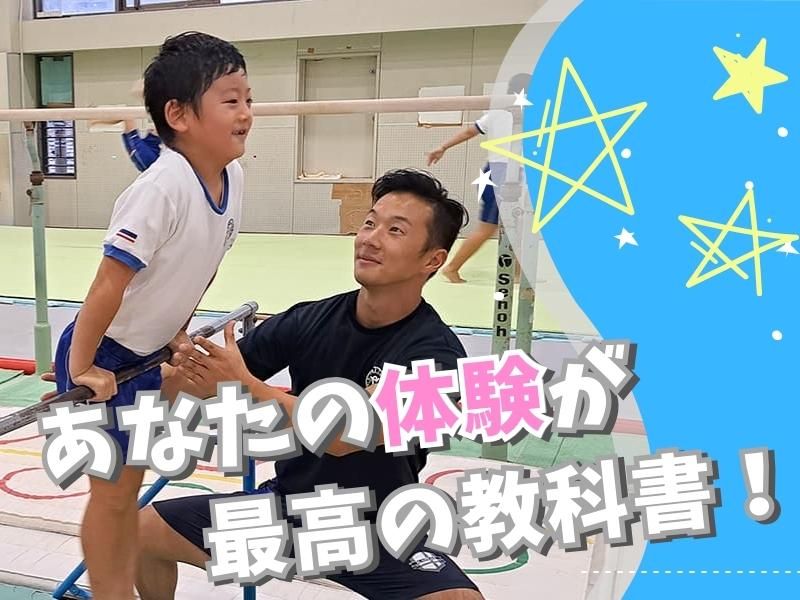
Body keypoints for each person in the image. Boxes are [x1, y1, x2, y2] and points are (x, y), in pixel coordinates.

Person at [134, 169, 484, 600]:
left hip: (379, 525)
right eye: (369, 223)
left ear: (433, 260)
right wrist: (149, 371)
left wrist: (243, 386)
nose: (370, 239)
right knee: (140, 533)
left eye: (395, 230)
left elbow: (344, 435)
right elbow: (189, 387)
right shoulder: (310, 319)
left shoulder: (437, 356)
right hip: (286, 509)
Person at [52, 31, 253, 600]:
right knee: (113, 494)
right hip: (105, 351)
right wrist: (82, 365)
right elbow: (108, 283)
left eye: (248, 99)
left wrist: (177, 331)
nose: (246, 113)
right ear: (179, 115)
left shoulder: (232, 178)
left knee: (129, 483)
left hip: (145, 352)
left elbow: (200, 264)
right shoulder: (160, 189)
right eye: (230, 101)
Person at [425, 73, 530, 283]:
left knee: (515, 225)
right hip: (503, 174)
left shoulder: (497, 113)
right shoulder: (526, 113)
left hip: (505, 172)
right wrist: (443, 147)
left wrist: (443, 147)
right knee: (488, 227)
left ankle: (518, 272)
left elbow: (469, 133)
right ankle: (452, 268)